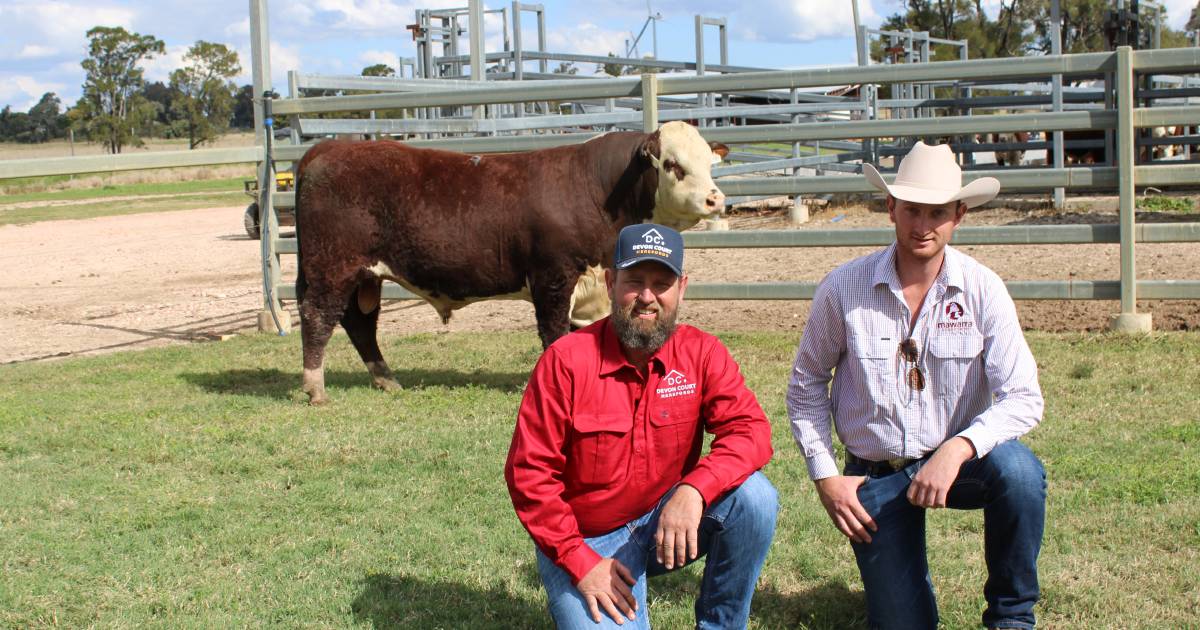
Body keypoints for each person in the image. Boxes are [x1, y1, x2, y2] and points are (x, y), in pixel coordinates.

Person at [787, 142, 1047, 630]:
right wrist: (827, 479)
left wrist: (958, 448)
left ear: (959, 215)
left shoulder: (982, 288)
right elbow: (805, 386)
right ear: (891, 208)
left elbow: (1024, 397)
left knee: (1019, 473)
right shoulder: (842, 288)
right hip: (876, 474)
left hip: (962, 465)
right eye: (911, 209)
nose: (922, 224)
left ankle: (1012, 617)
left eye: (937, 212)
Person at [506, 223, 777, 629]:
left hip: (666, 518)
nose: (647, 297)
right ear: (611, 283)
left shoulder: (701, 353)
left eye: (662, 282)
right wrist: (580, 562)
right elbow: (530, 475)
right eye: (634, 281)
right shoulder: (566, 361)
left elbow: (751, 430)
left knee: (755, 499)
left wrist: (694, 489)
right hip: (588, 540)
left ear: (681, 288)